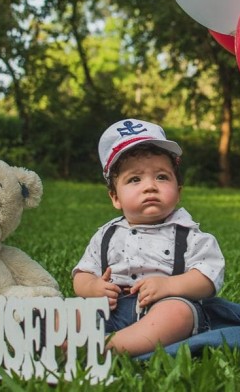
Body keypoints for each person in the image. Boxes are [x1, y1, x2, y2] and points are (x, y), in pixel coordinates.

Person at [72, 118, 225, 356]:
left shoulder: (190, 234)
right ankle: (65, 337)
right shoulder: (106, 234)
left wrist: (169, 285)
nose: (150, 186)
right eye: (135, 179)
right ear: (115, 197)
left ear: (178, 191)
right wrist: (93, 287)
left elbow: (208, 278)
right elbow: (82, 274)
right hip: (111, 309)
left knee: (178, 314)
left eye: (162, 177)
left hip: (162, 310)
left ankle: (108, 347)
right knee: (69, 311)